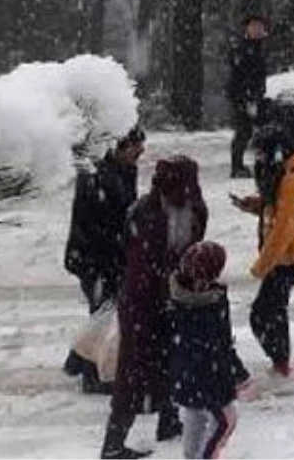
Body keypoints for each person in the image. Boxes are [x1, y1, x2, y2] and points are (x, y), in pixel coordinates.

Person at [101, 156, 207, 460]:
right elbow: (139, 264)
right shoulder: (144, 213)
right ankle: (114, 442)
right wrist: (169, 281)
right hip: (141, 303)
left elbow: (193, 251)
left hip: (173, 299)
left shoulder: (196, 209)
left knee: (173, 361)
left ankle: (169, 420)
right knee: (133, 370)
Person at [231, 120, 294, 388]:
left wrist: (262, 266)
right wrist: (253, 205)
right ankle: (281, 363)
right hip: (285, 255)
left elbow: (284, 227)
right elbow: (277, 208)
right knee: (273, 311)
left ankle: (281, 364)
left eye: (260, 153)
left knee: (262, 314)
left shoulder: (293, 180)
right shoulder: (286, 174)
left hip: (289, 257)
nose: (257, 159)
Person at [63, 126, 144, 394]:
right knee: (104, 312)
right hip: (96, 259)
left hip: (107, 257)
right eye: (135, 145)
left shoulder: (121, 171)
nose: (141, 151)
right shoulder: (99, 177)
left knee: (105, 313)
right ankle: (91, 373)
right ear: (117, 147)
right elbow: (100, 227)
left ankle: (82, 363)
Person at [169, 240, 250, 460]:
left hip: (186, 375)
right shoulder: (209, 304)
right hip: (210, 378)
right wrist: (238, 373)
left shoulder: (177, 297)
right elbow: (221, 345)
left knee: (194, 417)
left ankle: (193, 456)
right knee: (226, 420)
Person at [227, 14, 269, 179]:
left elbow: (259, 74)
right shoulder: (242, 48)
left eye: (260, 27)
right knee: (243, 130)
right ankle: (236, 166)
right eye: (254, 27)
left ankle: (259, 163)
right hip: (242, 95)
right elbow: (240, 74)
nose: (257, 30)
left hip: (254, 94)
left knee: (254, 130)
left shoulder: (259, 47)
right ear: (247, 29)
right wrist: (247, 97)